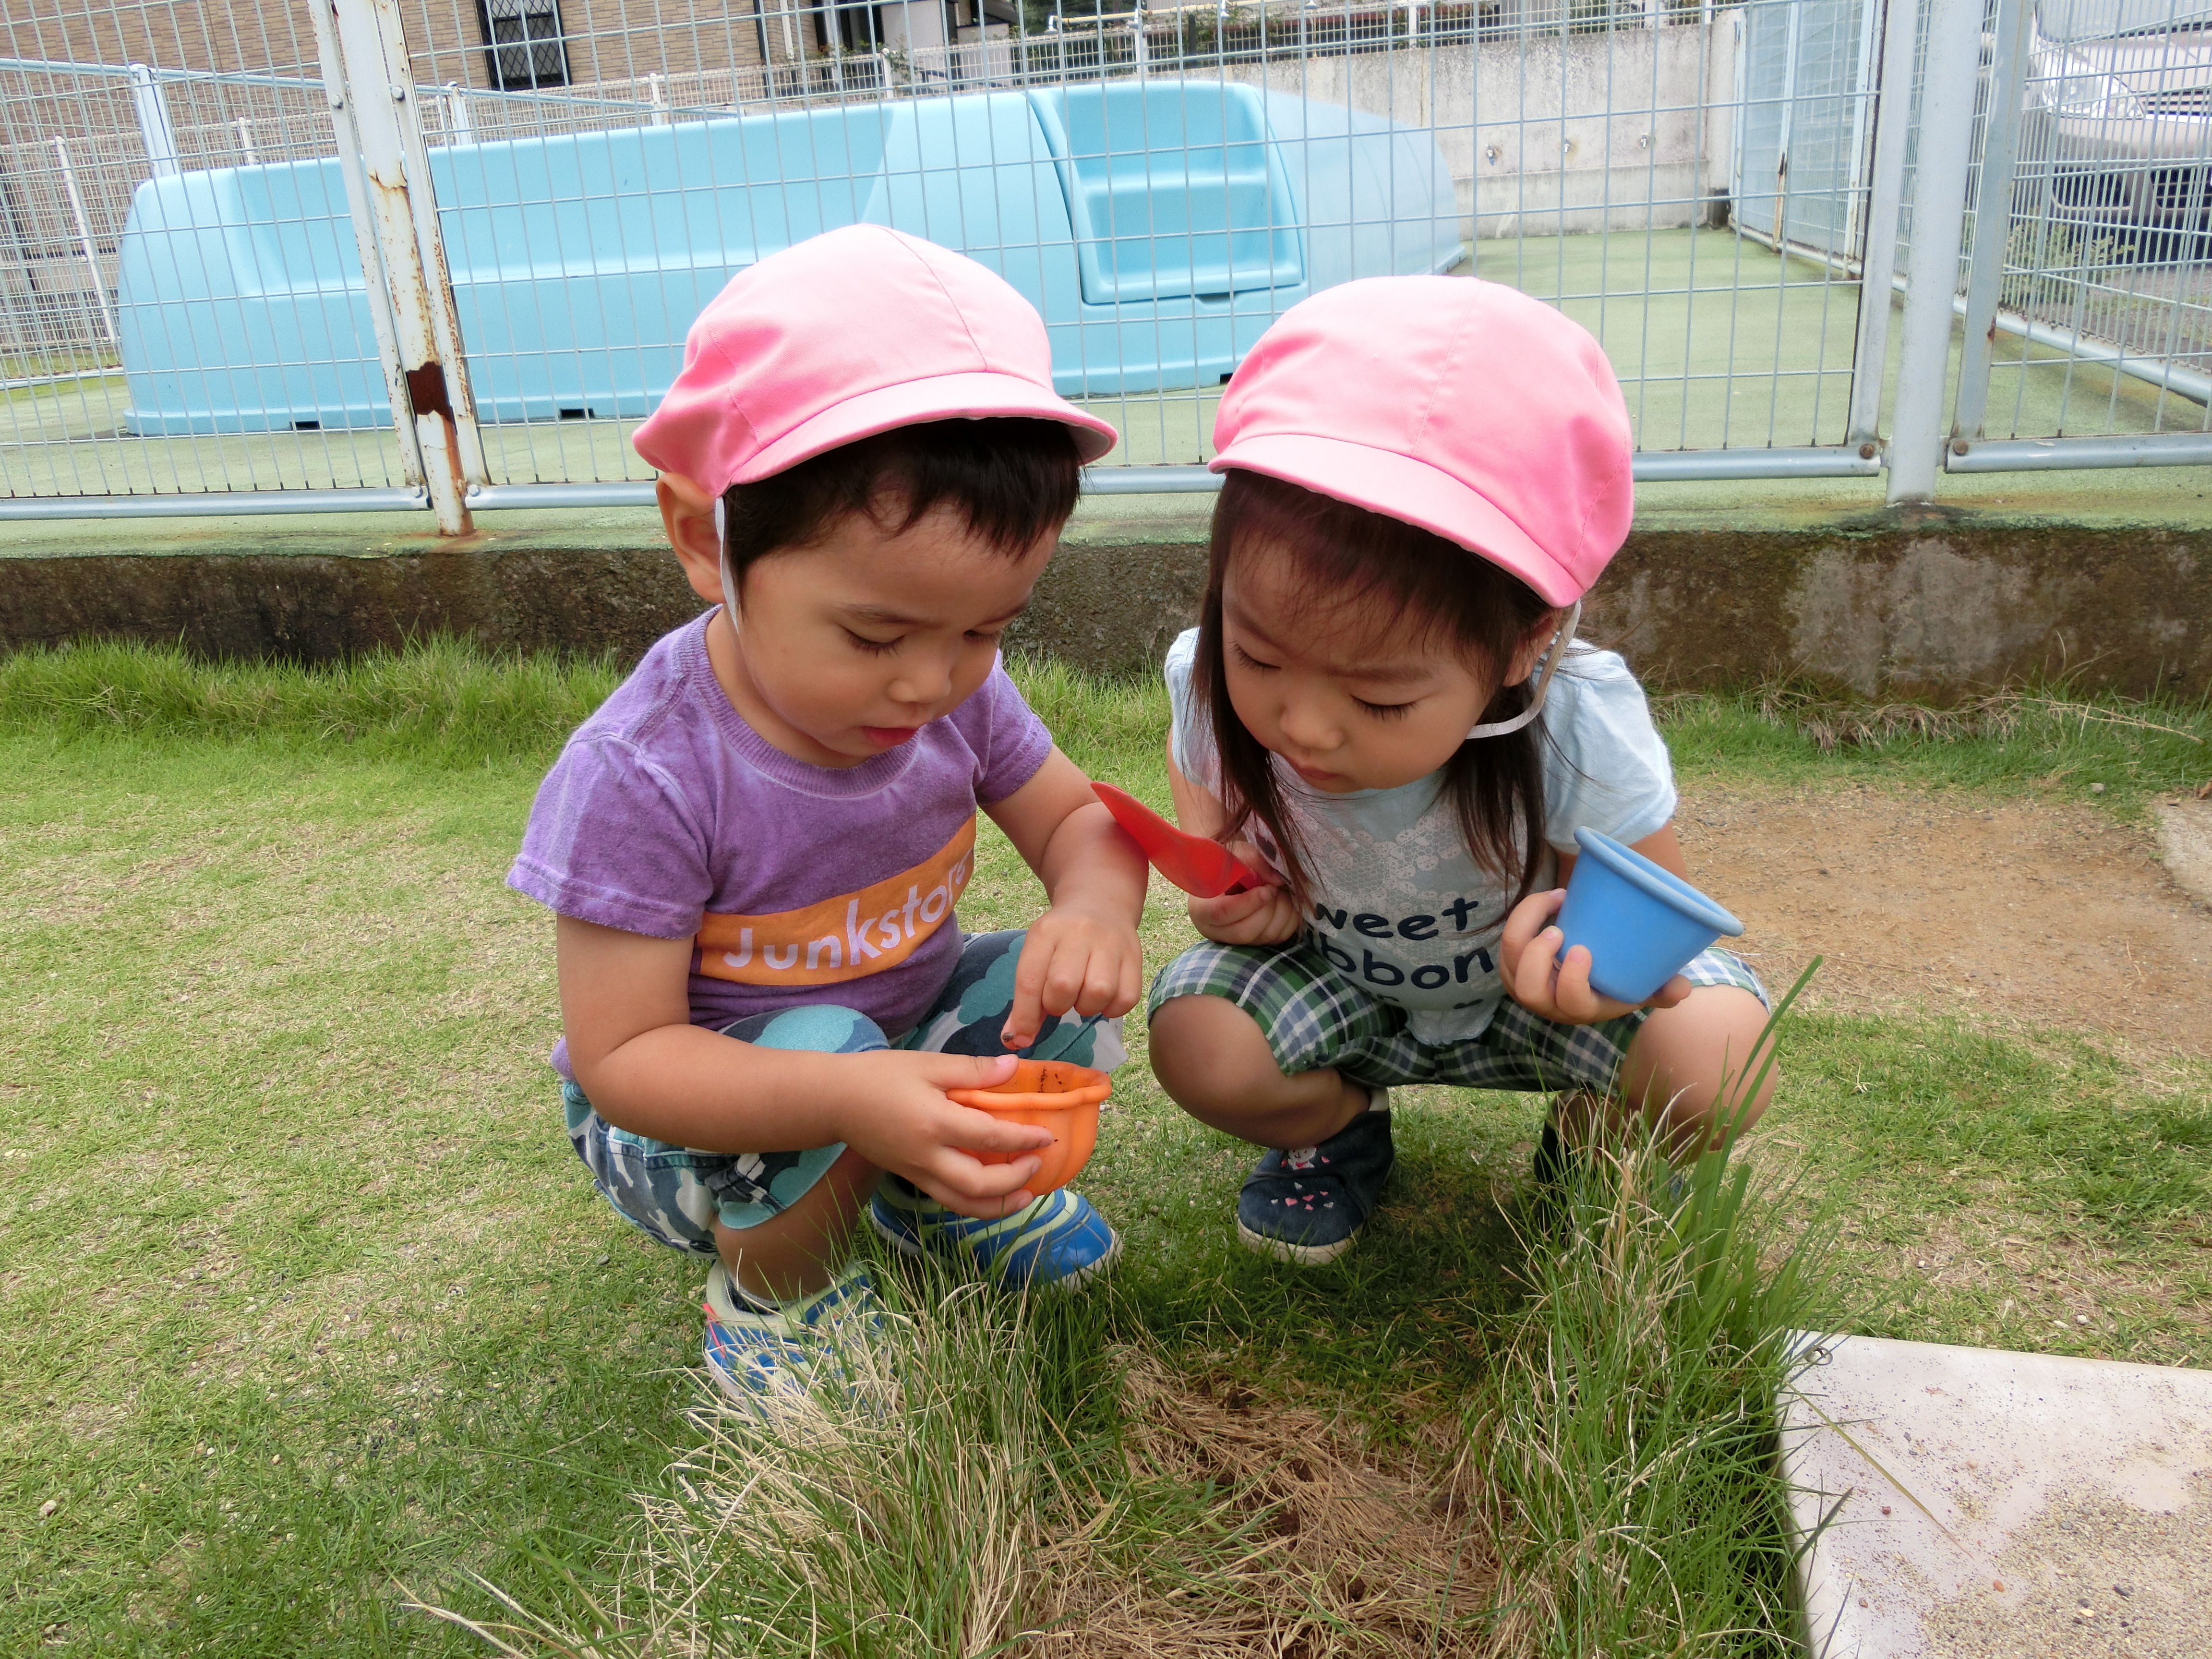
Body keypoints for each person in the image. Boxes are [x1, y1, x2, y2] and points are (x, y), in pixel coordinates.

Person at [508, 225, 1149, 1396]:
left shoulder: (959, 695)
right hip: (692, 1120)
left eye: (984, 630)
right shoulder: (646, 772)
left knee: (1047, 999)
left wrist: (1096, 910)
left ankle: (930, 1197)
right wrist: (850, 1097)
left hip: (882, 1056)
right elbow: (623, 1059)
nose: (930, 682)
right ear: (708, 540)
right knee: (829, 1051)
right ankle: (773, 1294)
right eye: (874, 635)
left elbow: (1079, 824)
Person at [1143, 276, 1779, 1265]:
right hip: (1352, 994)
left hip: (1531, 1006)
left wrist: (1596, 974)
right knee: (1199, 1037)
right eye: (1259, 657)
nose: (1303, 728)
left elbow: (1653, 927)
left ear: (1525, 644)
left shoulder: (1577, 719)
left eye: (1383, 700)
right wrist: (1235, 898)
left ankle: (1589, 1152)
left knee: (1720, 1059)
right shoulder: (1202, 681)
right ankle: (1335, 1127)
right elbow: (1217, 841)